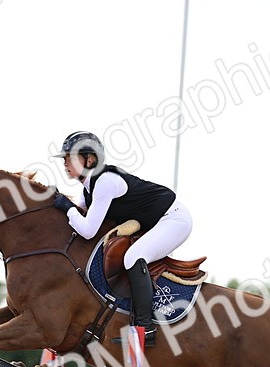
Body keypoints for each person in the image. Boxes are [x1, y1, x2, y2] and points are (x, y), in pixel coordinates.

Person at [51, 131, 193, 347]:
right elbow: (80, 214)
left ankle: (146, 329)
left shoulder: (105, 182)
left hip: (174, 220)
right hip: (159, 221)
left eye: (70, 157)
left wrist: (66, 208)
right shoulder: (88, 188)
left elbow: (88, 230)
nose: (64, 162)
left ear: (89, 159)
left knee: (133, 257)